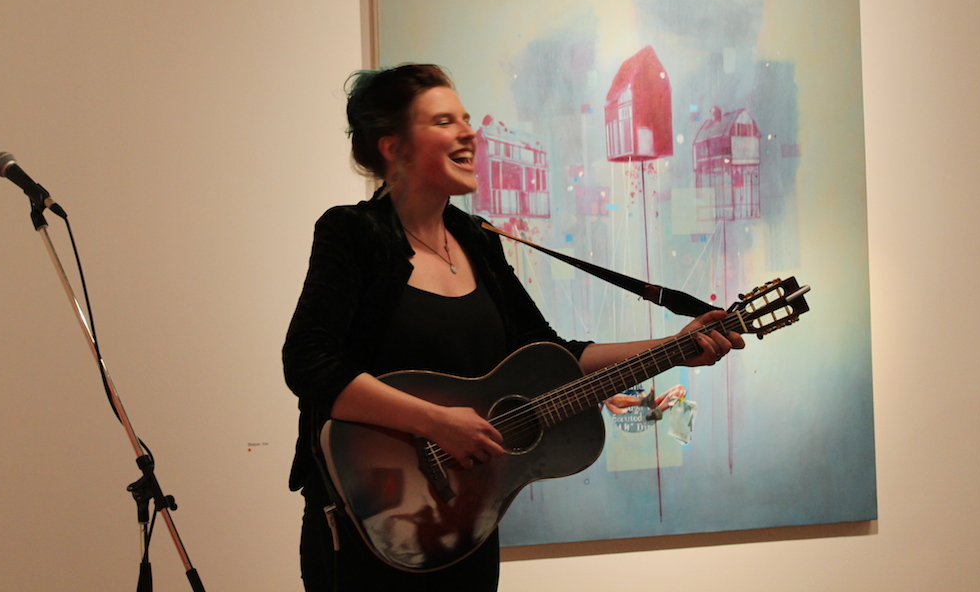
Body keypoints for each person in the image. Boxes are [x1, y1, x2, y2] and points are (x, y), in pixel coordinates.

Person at [282, 64, 743, 591]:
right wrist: (437, 423)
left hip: (467, 522)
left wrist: (675, 346)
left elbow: (550, 353)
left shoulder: (477, 240)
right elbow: (308, 362)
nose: (468, 133)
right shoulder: (354, 234)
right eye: (444, 122)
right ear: (394, 148)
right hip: (366, 526)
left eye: (466, 119)